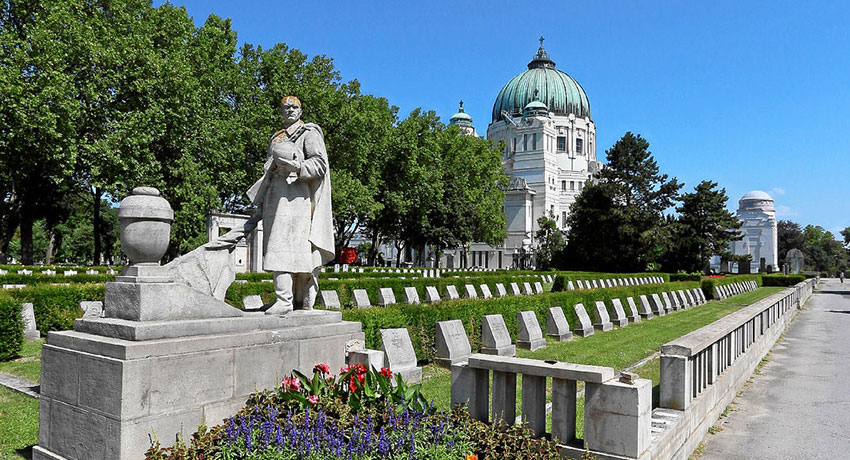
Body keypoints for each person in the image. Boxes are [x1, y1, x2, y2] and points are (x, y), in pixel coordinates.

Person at [245, 96, 334, 314]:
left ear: (300, 111)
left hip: (297, 199)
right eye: (286, 107)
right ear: (281, 111)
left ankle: (285, 300)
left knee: (283, 247)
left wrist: (296, 166)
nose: (290, 110)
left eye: (295, 107)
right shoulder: (276, 137)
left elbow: (319, 165)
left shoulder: (308, 133)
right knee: (276, 246)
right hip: (275, 196)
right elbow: (268, 167)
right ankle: (288, 299)